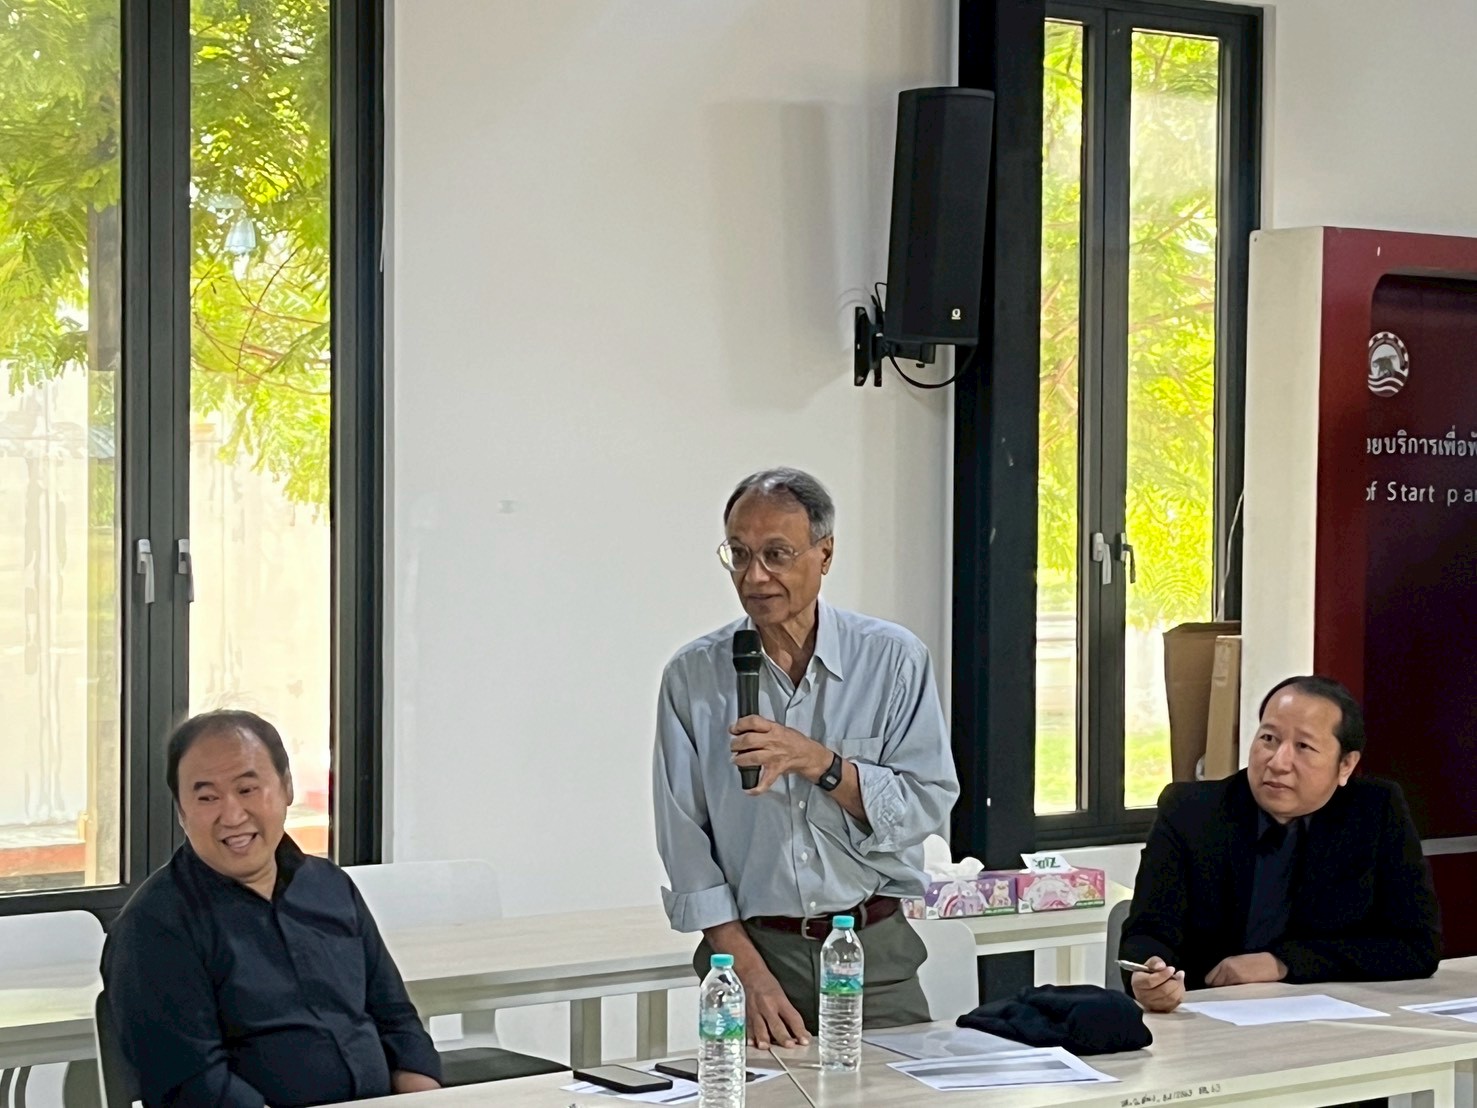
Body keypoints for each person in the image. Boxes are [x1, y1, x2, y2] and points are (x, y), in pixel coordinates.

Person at [652, 467, 960, 1048]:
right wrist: (748, 975)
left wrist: (822, 763)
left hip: (873, 957)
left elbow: (924, 804)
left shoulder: (892, 660)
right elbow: (684, 843)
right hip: (751, 962)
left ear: (825, 554)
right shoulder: (693, 676)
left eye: (776, 555)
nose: (754, 576)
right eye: (739, 555)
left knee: (899, 1092)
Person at [102, 710, 442, 1108]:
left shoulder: (331, 887)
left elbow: (396, 1019)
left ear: (286, 788)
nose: (232, 815)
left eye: (247, 789)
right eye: (207, 797)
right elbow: (193, 1084)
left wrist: (425, 1100)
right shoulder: (154, 927)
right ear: (181, 811)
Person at [1120, 676, 1440, 1014]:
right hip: (1205, 1016)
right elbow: (1147, 934)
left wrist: (1282, 963)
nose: (1278, 762)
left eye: (1303, 747)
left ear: (1345, 765)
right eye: (1269, 739)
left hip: (1327, 1018)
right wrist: (1149, 978)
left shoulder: (1375, 812)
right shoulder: (1191, 812)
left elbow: (1417, 946)